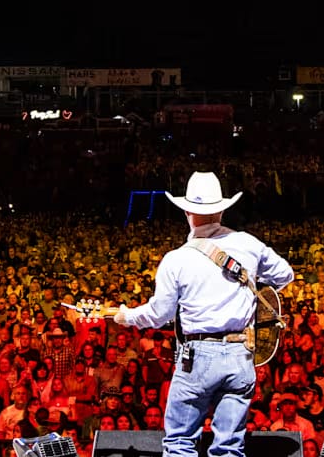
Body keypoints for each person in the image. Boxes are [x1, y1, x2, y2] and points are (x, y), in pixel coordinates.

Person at [114, 172, 295, 457]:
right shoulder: (249, 244)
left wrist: (127, 316)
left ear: (187, 211)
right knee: (229, 448)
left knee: (180, 444)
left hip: (197, 357)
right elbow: (285, 275)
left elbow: (159, 315)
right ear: (221, 209)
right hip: (241, 355)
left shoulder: (177, 259)